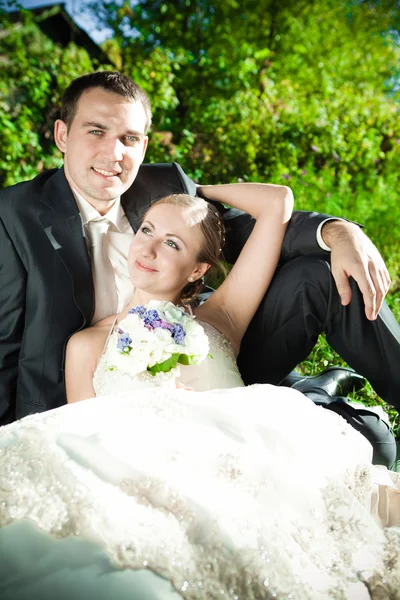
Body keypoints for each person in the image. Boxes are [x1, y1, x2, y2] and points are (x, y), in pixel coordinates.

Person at [0, 190, 399, 600]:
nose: (149, 248)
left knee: (373, 452)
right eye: (147, 230)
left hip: (250, 468)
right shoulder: (85, 345)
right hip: (155, 483)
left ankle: (334, 393)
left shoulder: (222, 316)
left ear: (198, 270)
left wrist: (202, 191)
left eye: (172, 243)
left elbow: (278, 202)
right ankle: (328, 387)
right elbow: (82, 437)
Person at [0, 70, 399, 462]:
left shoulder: (161, 188)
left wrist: (338, 232)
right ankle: (313, 392)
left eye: (130, 139)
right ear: (62, 135)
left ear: (143, 145)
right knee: (367, 444)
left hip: (206, 353)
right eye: (96, 131)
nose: (114, 154)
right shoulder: (14, 216)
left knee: (322, 276)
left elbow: (242, 224)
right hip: (93, 402)